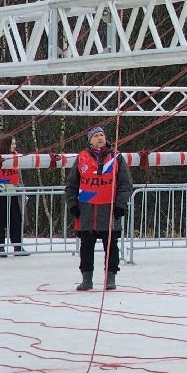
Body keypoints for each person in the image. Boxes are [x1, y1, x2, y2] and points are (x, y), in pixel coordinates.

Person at [65, 125, 133, 292]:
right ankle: (86, 279)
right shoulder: (81, 158)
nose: (100, 138)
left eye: (102, 135)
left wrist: (120, 205)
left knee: (111, 247)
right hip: (86, 210)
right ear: (90, 140)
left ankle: (110, 278)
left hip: (108, 210)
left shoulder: (116, 157)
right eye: (96, 136)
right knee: (86, 247)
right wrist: (73, 204)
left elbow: (126, 184)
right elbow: (71, 184)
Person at [0, 133, 25, 257]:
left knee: (16, 220)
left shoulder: (16, 157)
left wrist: (22, 190)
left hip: (13, 194)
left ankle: (18, 246)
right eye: (12, 144)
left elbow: (19, 177)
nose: (15, 146)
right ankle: (0, 247)